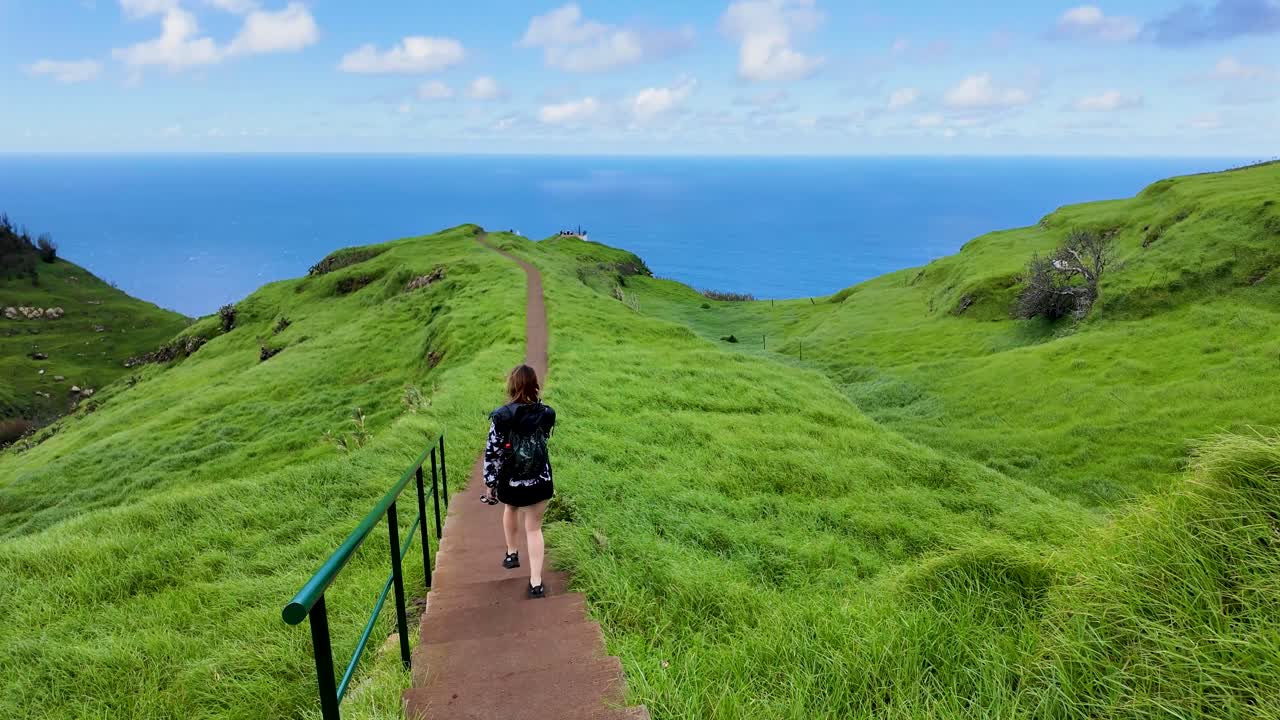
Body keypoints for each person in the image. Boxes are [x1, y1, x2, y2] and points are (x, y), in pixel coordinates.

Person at [482, 364, 557, 598]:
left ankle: (512, 553)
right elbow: (543, 438)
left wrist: (490, 482)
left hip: (511, 481)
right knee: (534, 529)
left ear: (511, 385)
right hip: (540, 480)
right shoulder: (546, 413)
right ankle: (536, 583)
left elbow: (492, 451)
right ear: (535, 384)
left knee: (510, 507)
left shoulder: (502, 415)